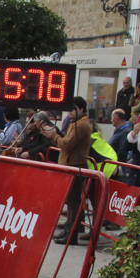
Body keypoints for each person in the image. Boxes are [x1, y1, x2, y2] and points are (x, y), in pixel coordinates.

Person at [43, 97, 93, 244]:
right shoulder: (76, 124)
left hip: (75, 166)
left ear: (81, 109)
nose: (69, 111)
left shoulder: (81, 125)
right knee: (71, 201)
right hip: (71, 165)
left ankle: (71, 234)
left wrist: (53, 135)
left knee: (73, 202)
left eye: (73, 108)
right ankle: (69, 230)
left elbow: (66, 144)